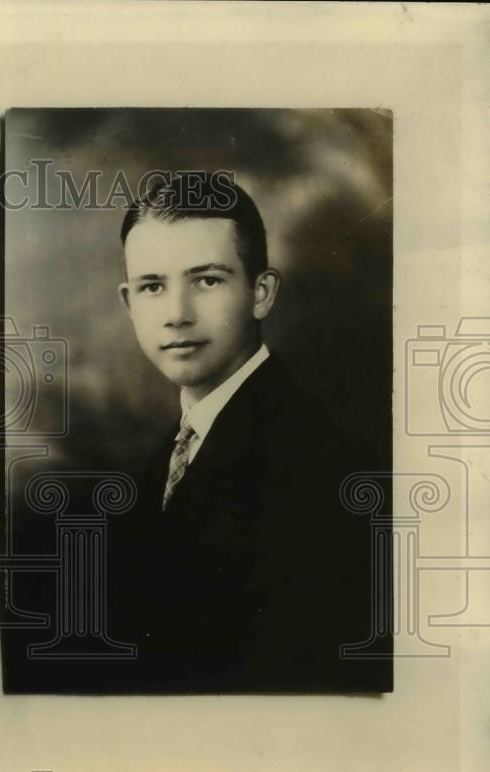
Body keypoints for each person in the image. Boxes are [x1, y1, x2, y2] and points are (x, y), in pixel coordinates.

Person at [115, 173, 391, 692]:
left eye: (207, 280)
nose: (176, 315)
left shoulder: (323, 462)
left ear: (261, 292)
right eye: (153, 286)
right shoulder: (158, 467)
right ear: (130, 304)